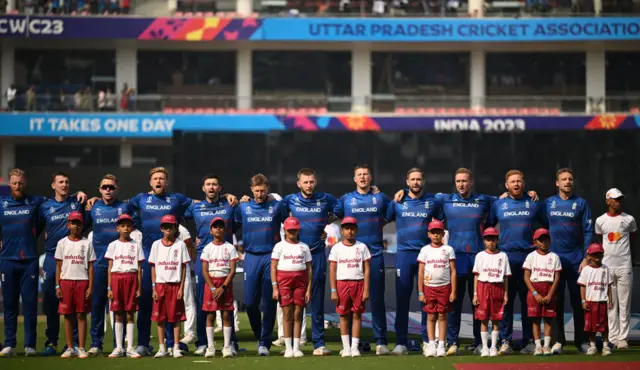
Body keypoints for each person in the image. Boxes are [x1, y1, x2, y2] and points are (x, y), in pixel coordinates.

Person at [277, 168, 337, 355]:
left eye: (311, 182)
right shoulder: (289, 200)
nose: (309, 185)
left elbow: (341, 209)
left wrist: (325, 223)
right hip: (295, 257)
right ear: (298, 184)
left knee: (317, 300)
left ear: (315, 182)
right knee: (293, 303)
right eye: (305, 182)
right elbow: (274, 211)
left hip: (317, 254)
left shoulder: (325, 199)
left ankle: (319, 344)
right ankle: (293, 342)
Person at [333, 164, 391, 355]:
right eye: (359, 175)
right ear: (354, 179)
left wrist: (402, 191)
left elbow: (390, 214)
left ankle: (381, 342)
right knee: (349, 303)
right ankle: (350, 344)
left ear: (371, 177)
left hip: (374, 255)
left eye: (366, 174)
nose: (363, 177)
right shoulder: (346, 199)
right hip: (351, 256)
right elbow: (332, 214)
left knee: (376, 299)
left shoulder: (380, 198)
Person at [386, 167, 443, 355]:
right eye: (413, 179)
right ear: (407, 181)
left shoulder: (432, 201)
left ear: (423, 181)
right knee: (402, 300)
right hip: (404, 255)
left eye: (419, 179)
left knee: (426, 301)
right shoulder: (397, 201)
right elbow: (384, 218)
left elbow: (442, 221)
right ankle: (401, 342)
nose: (416, 182)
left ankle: (428, 341)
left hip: (426, 256)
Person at [486, 170, 545, 355]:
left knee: (528, 301)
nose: (516, 184)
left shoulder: (534, 203)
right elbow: (489, 226)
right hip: (506, 259)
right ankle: (506, 341)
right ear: (506, 185)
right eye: (513, 182)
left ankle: (528, 341)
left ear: (524, 183)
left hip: (529, 260)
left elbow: (546, 226)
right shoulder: (499, 204)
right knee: (506, 302)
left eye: (519, 181)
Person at [182, 174, 239, 355]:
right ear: (203, 188)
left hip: (224, 257)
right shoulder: (196, 207)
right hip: (203, 257)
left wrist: (229, 197)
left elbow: (237, 223)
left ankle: (231, 344)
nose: (211, 187)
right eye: (208, 184)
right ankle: (203, 343)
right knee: (203, 301)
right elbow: (176, 214)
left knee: (227, 303)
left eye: (215, 184)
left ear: (220, 188)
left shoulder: (229, 205)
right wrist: (193, 240)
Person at [233, 174, 288, 356]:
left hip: (271, 257)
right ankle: (260, 335)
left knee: (270, 302)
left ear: (268, 189)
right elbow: (230, 226)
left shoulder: (276, 206)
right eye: (256, 191)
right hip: (251, 257)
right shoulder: (244, 207)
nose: (259, 194)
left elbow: (290, 225)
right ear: (251, 190)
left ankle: (264, 342)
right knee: (249, 303)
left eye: (263, 190)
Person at [544, 168, 593, 354]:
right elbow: (537, 220)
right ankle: (558, 342)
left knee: (578, 301)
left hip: (576, 260)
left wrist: (586, 257)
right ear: (557, 183)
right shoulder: (548, 203)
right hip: (555, 259)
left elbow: (588, 231)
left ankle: (581, 342)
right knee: (556, 301)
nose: (567, 182)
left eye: (570, 179)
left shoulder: (581, 204)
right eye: (563, 179)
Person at [85, 174, 135, 355]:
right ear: (99, 189)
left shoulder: (125, 207)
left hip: (120, 267)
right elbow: (79, 227)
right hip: (99, 265)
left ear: (117, 189)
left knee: (119, 308)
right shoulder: (92, 207)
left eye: (111, 187)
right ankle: (96, 344)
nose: (108, 190)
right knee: (97, 305)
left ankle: (118, 345)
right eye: (104, 187)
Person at [0, 168, 47, 357]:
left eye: (20, 182)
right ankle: (10, 344)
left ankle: (30, 345)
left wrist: (79, 195)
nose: (17, 186)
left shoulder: (35, 202)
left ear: (25, 183)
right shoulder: (1, 203)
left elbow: (59, 200)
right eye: (14, 183)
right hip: (7, 260)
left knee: (29, 305)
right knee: (10, 305)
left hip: (29, 260)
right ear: (9, 184)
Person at [39, 172, 87, 355]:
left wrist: (91, 197)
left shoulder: (77, 202)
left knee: (74, 303)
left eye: (67, 181)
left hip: (74, 257)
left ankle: (74, 343)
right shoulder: (45, 206)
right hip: (52, 258)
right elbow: (35, 228)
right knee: (52, 301)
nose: (64, 185)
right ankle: (51, 342)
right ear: (53, 185)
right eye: (60, 182)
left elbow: (87, 221)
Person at [595, 188, 636, 349]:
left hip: (624, 266)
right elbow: (600, 239)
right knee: (610, 304)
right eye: (615, 199)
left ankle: (623, 339)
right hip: (607, 268)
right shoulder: (600, 221)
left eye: (620, 199)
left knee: (625, 304)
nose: (618, 201)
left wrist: (629, 259)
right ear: (608, 201)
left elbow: (633, 239)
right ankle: (612, 338)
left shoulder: (629, 219)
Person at [328, 217, 371, 358]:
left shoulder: (362, 247)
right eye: (346, 228)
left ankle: (354, 348)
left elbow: (367, 269)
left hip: (358, 283)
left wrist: (366, 289)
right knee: (343, 315)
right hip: (342, 284)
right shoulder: (336, 248)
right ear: (342, 230)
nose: (349, 231)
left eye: (352, 228)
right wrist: (333, 290)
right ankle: (346, 348)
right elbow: (332, 270)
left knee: (357, 315)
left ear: (356, 230)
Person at [149, 214, 190, 358]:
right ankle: (162, 348)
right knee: (160, 318)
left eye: (170, 227)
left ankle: (176, 347)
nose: (168, 230)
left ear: (175, 228)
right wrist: (154, 287)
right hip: (160, 285)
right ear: (161, 229)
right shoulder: (156, 245)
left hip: (175, 285)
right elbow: (153, 267)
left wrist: (181, 287)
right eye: (165, 227)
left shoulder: (181, 244)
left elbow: (184, 267)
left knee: (176, 319)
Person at [55, 211, 95, 359]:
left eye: (78, 223)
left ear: (82, 225)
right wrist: (57, 286)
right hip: (66, 281)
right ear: (68, 225)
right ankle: (70, 347)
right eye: (73, 223)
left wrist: (90, 286)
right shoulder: (62, 243)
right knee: (67, 316)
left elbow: (91, 267)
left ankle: (82, 348)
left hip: (82, 281)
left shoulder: (87, 243)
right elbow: (59, 266)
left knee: (81, 315)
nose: (75, 226)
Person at [271, 217, 313, 358]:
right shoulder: (279, 246)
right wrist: (275, 287)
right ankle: (288, 348)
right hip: (284, 283)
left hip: (300, 283)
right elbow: (273, 267)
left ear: (298, 230)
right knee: (287, 314)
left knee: (298, 314)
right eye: (290, 230)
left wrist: (308, 289)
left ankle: (296, 347)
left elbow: (309, 269)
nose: (292, 233)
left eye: (294, 230)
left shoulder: (304, 247)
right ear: (285, 231)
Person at [105, 214, 144, 359]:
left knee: (130, 313)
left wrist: (139, 287)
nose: (126, 229)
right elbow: (109, 268)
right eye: (122, 226)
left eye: (128, 226)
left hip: (131, 279)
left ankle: (130, 348)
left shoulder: (136, 245)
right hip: (117, 279)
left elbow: (139, 268)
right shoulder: (113, 245)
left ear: (132, 228)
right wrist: (109, 288)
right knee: (118, 313)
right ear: (117, 228)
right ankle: (119, 347)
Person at [417, 220, 456, 357]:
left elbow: (453, 271)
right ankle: (431, 344)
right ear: (428, 234)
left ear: (443, 234)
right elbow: (421, 272)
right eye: (433, 233)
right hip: (429, 288)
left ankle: (441, 345)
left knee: (442, 316)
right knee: (431, 316)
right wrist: (421, 292)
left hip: (444, 287)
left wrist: (453, 291)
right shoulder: (425, 250)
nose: (436, 235)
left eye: (438, 233)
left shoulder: (448, 249)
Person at [201, 217, 238, 359]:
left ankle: (227, 346)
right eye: (215, 227)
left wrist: (223, 287)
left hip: (225, 283)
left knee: (226, 314)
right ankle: (210, 346)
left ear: (225, 230)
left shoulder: (230, 247)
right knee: (210, 315)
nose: (218, 229)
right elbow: (204, 271)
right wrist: (212, 288)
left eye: (221, 227)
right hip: (211, 282)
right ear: (211, 231)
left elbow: (233, 270)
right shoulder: (207, 248)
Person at [472, 227, 511, 358]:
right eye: (488, 239)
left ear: (497, 240)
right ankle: (484, 347)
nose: (491, 242)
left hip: (497, 287)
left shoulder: (503, 256)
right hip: (483, 287)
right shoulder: (480, 255)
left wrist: (505, 293)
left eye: (493, 239)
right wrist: (475, 294)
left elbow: (505, 276)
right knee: (483, 319)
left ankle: (493, 346)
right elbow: (476, 276)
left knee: (496, 319)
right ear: (484, 241)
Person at [523, 228, 562, 356]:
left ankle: (546, 346)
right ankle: (538, 346)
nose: (543, 242)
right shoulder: (531, 256)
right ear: (535, 241)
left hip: (549, 288)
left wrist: (550, 294)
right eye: (541, 240)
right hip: (535, 289)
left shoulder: (554, 257)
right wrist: (535, 293)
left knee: (548, 320)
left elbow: (557, 278)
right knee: (535, 320)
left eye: (546, 239)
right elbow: (526, 277)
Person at [577, 243, 613, 356]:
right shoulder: (586, 270)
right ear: (589, 256)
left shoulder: (605, 269)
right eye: (594, 254)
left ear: (603, 255)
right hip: (590, 302)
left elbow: (609, 286)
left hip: (602, 301)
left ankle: (606, 346)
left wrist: (610, 300)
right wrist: (583, 301)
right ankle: (592, 346)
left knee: (604, 326)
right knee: (591, 327)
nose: (597, 256)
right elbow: (582, 287)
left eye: (599, 254)